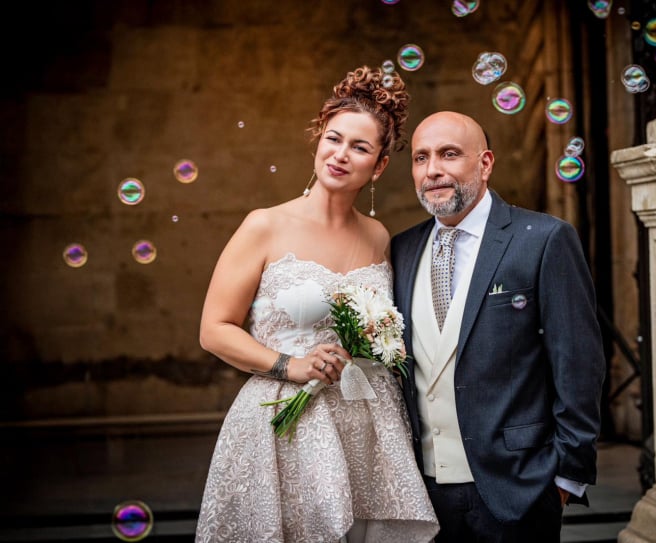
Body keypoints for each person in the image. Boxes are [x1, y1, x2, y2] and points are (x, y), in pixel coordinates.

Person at [195, 67, 439, 543]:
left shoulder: (378, 236)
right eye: (333, 139)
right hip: (285, 424)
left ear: (379, 165)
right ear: (318, 141)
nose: (341, 155)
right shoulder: (264, 226)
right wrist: (291, 365)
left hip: (368, 429)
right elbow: (214, 329)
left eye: (359, 147)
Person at [390, 111, 606, 542]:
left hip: (519, 489)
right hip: (423, 495)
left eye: (449, 154)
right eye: (420, 157)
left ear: (485, 163)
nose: (432, 170)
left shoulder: (543, 238)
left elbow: (578, 364)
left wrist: (566, 476)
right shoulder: (402, 249)